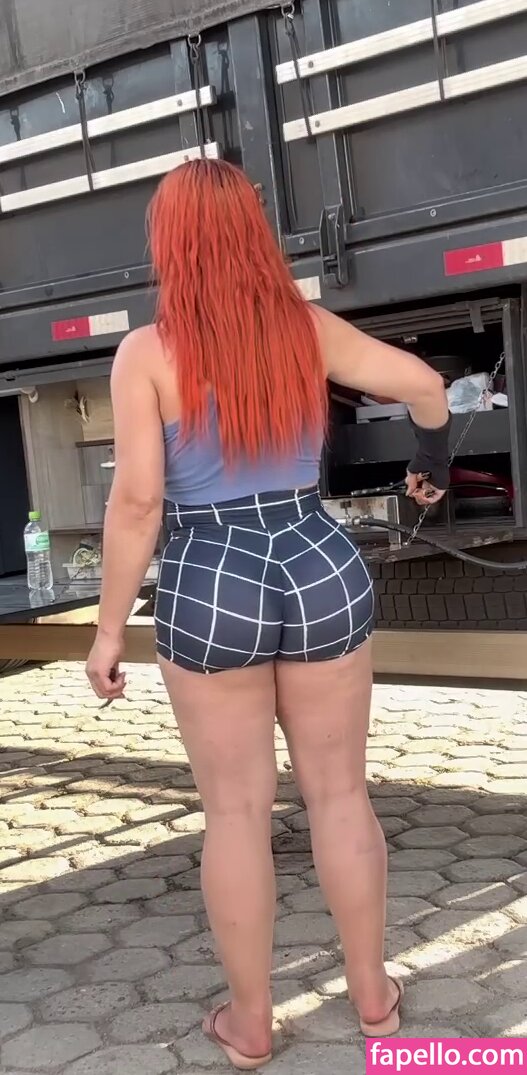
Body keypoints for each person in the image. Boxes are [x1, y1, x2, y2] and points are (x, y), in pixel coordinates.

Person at [86, 159, 449, 1068]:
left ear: (170, 244)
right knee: (340, 794)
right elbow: (423, 386)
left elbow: (139, 503)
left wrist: (107, 629)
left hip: (212, 573)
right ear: (253, 236)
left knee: (237, 812)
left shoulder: (146, 354)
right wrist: (431, 468)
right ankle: (374, 1002)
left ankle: (251, 1025)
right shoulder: (305, 327)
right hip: (314, 556)